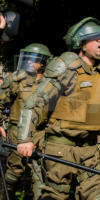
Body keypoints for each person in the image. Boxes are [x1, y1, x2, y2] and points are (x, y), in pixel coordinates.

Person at [15, 17, 100, 200]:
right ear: (81, 43)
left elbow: (96, 109)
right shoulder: (66, 67)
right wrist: (24, 138)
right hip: (61, 150)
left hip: (90, 151)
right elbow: (36, 102)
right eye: (95, 38)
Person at [0, 43, 52, 199]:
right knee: (13, 173)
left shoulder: (51, 83)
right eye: (27, 59)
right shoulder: (17, 80)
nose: (29, 62)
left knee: (40, 176)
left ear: (44, 62)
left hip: (42, 134)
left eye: (34, 59)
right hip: (17, 132)